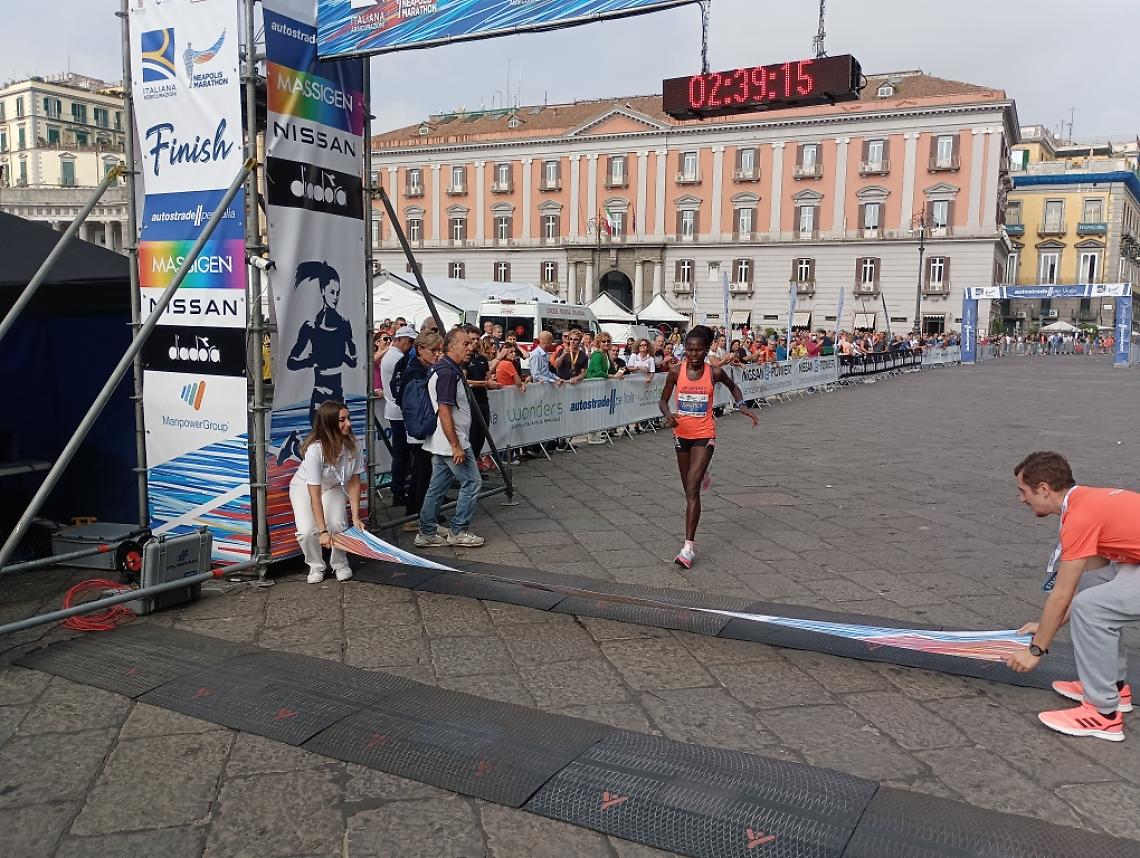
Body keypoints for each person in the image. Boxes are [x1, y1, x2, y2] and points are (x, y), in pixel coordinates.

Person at [1005, 452, 1140, 741]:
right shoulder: (1087, 501)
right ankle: (1113, 687)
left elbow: (1063, 593)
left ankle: (1103, 715)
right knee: (1094, 588)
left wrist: (1035, 651)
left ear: (1043, 488)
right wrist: (1045, 627)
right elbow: (1086, 579)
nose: (1021, 499)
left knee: (1092, 608)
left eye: (1023, 492)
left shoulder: (1079, 517)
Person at [658, 325, 758, 569]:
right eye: (689, 350)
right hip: (681, 434)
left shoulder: (713, 372)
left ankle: (688, 548)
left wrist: (741, 405)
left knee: (692, 489)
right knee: (688, 489)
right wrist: (668, 414)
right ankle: (702, 473)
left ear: (705, 351)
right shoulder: (674, 371)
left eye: (698, 350)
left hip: (705, 434)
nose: (693, 354)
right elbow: (662, 400)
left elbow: (733, 386)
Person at [416, 328, 485, 548]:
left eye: (470, 343)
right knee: (472, 482)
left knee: (437, 486)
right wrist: (456, 445)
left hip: (443, 440)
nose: (470, 347)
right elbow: (444, 410)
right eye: (465, 344)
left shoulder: (446, 369)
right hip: (451, 440)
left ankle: (427, 531)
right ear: (451, 346)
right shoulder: (447, 372)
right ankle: (458, 530)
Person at [288, 400, 365, 584]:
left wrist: (355, 517)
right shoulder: (315, 450)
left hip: (332, 486)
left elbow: (354, 481)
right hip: (304, 488)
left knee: (338, 524)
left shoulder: (354, 444)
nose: (348, 424)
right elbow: (314, 495)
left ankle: (340, 563)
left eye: (349, 418)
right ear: (329, 423)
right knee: (307, 531)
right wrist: (322, 531)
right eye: (342, 420)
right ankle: (316, 566)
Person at [285, 261, 358, 423]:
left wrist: (343, 355)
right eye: (332, 292)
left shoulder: (344, 324)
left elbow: (353, 361)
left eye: (338, 292)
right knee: (318, 439)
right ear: (322, 291)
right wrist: (311, 360)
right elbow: (291, 362)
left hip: (338, 393)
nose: (336, 297)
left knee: (339, 441)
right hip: (320, 392)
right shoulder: (311, 326)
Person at [402, 331, 443, 532]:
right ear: (420, 349)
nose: (437, 354)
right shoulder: (416, 371)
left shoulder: (422, 368)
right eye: (433, 350)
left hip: (420, 427)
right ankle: (420, 515)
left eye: (439, 350)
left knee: (422, 472)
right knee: (423, 473)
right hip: (420, 428)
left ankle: (416, 513)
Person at [379, 325, 417, 506]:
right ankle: (399, 490)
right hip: (399, 411)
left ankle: (399, 489)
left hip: (396, 409)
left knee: (402, 454)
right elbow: (401, 386)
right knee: (402, 454)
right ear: (400, 339)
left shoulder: (393, 356)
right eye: (409, 341)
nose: (410, 345)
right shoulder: (396, 358)